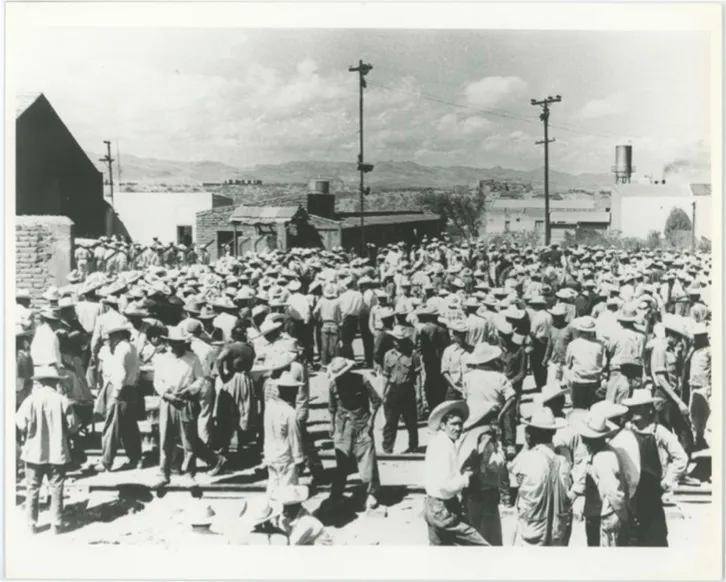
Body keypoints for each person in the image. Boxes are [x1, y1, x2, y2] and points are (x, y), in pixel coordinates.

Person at [153, 326, 227, 486]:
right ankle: (163, 473)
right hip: (168, 400)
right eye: (172, 343)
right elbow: (157, 381)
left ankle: (189, 474)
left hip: (186, 401)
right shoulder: (162, 359)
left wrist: (189, 390)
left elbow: (200, 379)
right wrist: (167, 395)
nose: (175, 346)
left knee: (188, 439)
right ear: (168, 343)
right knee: (166, 438)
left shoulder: (193, 358)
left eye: (178, 343)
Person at [16, 365, 79, 534]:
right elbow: (73, 426)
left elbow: (20, 423)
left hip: (34, 452)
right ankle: (56, 524)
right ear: (55, 382)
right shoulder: (62, 400)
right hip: (57, 452)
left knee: (32, 488)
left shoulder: (30, 400)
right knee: (56, 487)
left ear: (40, 382)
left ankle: (32, 524)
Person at [622, 389, 687, 546]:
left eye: (641, 407)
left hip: (652, 492)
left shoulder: (659, 431)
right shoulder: (626, 431)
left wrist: (667, 480)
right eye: (634, 407)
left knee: (655, 538)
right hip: (632, 496)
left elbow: (681, 457)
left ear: (649, 409)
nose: (636, 411)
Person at [423, 400, 488, 546]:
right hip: (443, 509)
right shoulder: (444, 447)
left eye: (460, 424)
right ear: (443, 425)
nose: (458, 428)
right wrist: (466, 477)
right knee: (482, 546)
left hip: (430, 505)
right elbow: (445, 485)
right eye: (454, 424)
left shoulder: (437, 442)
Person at [509, 408, 572, 546]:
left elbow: (512, 467)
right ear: (554, 432)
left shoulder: (528, 458)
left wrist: (526, 444)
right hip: (556, 528)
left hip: (532, 527)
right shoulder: (563, 459)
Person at [327, 357, 382, 511]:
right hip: (343, 427)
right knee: (341, 461)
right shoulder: (333, 384)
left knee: (367, 460)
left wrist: (371, 421)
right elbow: (332, 407)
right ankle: (337, 494)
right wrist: (331, 424)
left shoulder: (361, 380)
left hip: (362, 425)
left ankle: (372, 493)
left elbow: (376, 401)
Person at [94, 315, 143, 472]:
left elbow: (120, 374)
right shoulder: (131, 347)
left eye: (112, 335)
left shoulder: (121, 349)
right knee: (129, 426)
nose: (110, 338)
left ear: (119, 334)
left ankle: (106, 460)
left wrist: (115, 394)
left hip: (119, 389)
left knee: (112, 425)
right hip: (130, 389)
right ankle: (136, 458)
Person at [577, 411, 630, 547]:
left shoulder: (603, 458)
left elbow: (612, 491)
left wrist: (621, 514)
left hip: (607, 516)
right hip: (599, 513)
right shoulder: (600, 453)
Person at [263, 372, 305, 496]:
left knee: (273, 486)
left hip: (270, 453)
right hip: (285, 457)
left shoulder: (270, 406)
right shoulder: (290, 413)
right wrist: (299, 459)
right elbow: (295, 439)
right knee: (287, 491)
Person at [381, 325, 420, 454]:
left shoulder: (413, 355)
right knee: (390, 421)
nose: (397, 343)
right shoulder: (388, 355)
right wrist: (383, 393)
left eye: (400, 340)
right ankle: (387, 447)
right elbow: (386, 375)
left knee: (411, 421)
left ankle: (413, 446)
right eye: (395, 340)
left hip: (407, 390)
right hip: (393, 390)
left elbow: (417, 377)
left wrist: (419, 394)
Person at [565, 316, 605, 410]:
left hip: (579, 382)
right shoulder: (600, 344)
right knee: (595, 410)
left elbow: (568, 364)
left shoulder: (573, 344)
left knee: (579, 411)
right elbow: (603, 363)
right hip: (595, 382)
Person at [685, 324, 710, 451]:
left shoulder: (709, 351)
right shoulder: (694, 351)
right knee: (694, 414)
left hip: (704, 386)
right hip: (693, 386)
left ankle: (702, 437)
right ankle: (698, 438)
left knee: (705, 414)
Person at [312, 284, 341, 367]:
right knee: (335, 345)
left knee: (324, 346)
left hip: (325, 324)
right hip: (334, 324)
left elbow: (315, 312)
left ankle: (324, 364)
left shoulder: (322, 300)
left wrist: (318, 318)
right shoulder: (337, 301)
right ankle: (336, 364)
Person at [440, 320, 470, 401]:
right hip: (453, 389)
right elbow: (444, 371)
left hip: (468, 388)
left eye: (463, 334)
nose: (461, 336)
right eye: (459, 334)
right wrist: (454, 386)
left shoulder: (471, 351)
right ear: (454, 334)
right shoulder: (449, 351)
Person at [338, 277, 363, 359]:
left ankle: (348, 357)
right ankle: (349, 356)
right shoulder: (358, 294)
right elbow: (361, 307)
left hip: (345, 318)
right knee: (350, 339)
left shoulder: (343, 296)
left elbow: (341, 308)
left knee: (345, 340)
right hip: (355, 318)